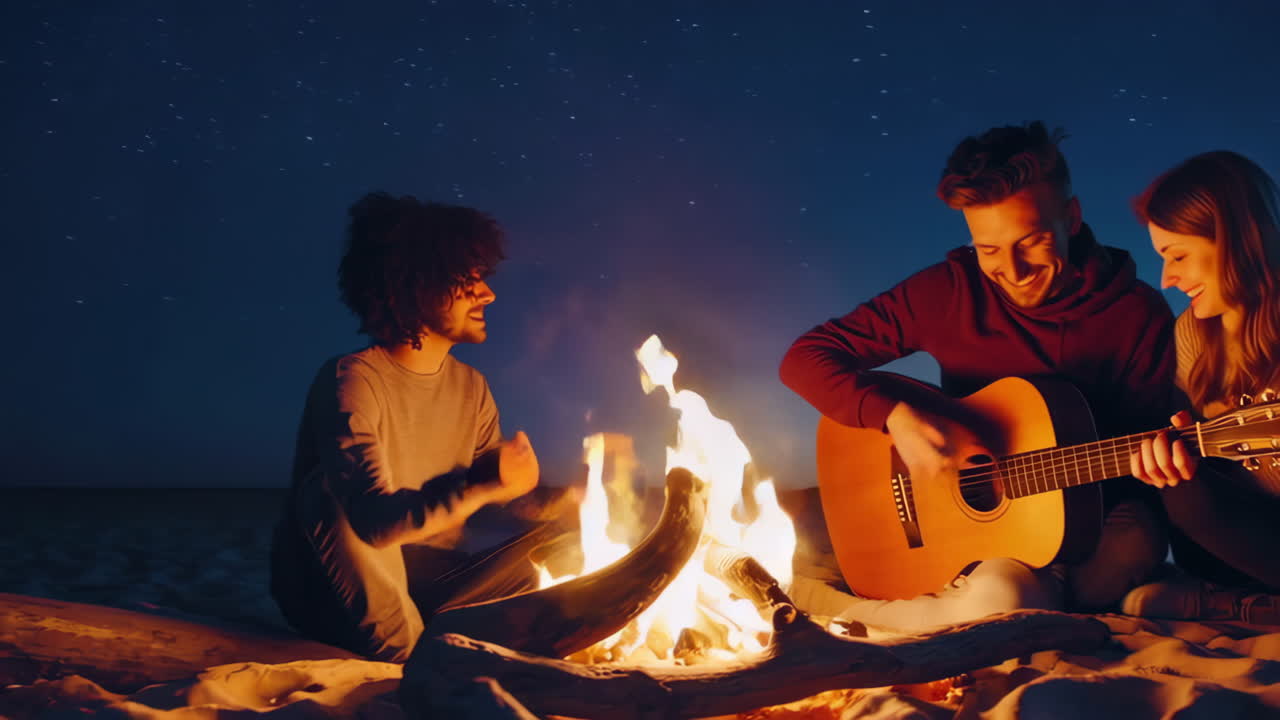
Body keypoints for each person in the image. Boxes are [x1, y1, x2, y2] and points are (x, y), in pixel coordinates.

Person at [780, 122, 1177, 632]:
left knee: (1139, 537)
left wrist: (1158, 462)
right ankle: (861, 607)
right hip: (957, 520)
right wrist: (894, 417)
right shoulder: (948, 292)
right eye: (988, 250)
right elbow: (805, 358)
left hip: (1083, 519)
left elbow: (1146, 457)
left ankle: (971, 600)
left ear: (1072, 217)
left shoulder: (1136, 315)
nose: (1012, 269)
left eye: (1031, 241)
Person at [270, 192, 556, 662]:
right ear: (414, 286)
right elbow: (375, 525)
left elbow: (491, 494)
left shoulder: (472, 387)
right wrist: (483, 485)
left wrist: (572, 499)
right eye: (468, 280)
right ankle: (404, 658)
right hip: (336, 595)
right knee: (326, 495)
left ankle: (457, 645)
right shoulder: (353, 379)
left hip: (430, 582)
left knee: (560, 544)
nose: (488, 293)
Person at [1125, 151, 1280, 624]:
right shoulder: (1192, 333)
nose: (1167, 279)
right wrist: (1171, 460)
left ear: (1233, 240)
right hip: (1254, 535)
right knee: (1181, 486)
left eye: (1178, 256)